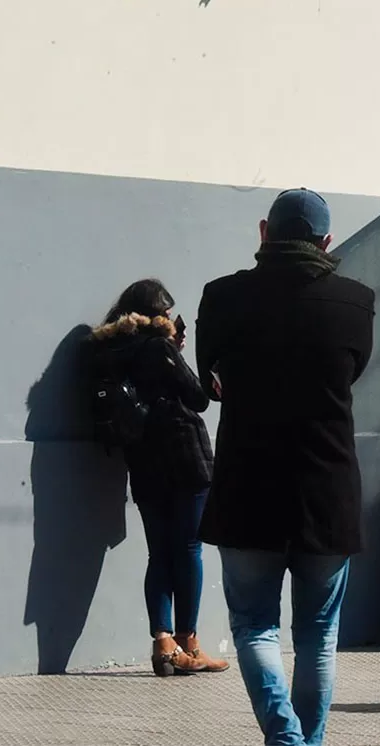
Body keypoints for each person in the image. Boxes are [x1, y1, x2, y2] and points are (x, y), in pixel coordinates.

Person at [196, 189, 375, 746]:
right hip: (327, 491)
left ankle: (285, 737)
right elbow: (352, 373)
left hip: (247, 488)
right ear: (326, 242)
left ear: (263, 233)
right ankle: (305, 742)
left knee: (254, 627)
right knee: (319, 635)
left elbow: (209, 379)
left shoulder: (221, 298)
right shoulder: (356, 302)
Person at [88, 279, 228, 677]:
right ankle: (189, 641)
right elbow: (200, 398)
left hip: (143, 463)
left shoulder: (112, 351)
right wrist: (178, 357)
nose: (170, 319)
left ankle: (163, 644)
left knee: (159, 553)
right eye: (166, 312)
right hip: (184, 458)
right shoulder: (159, 346)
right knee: (188, 549)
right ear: (157, 314)